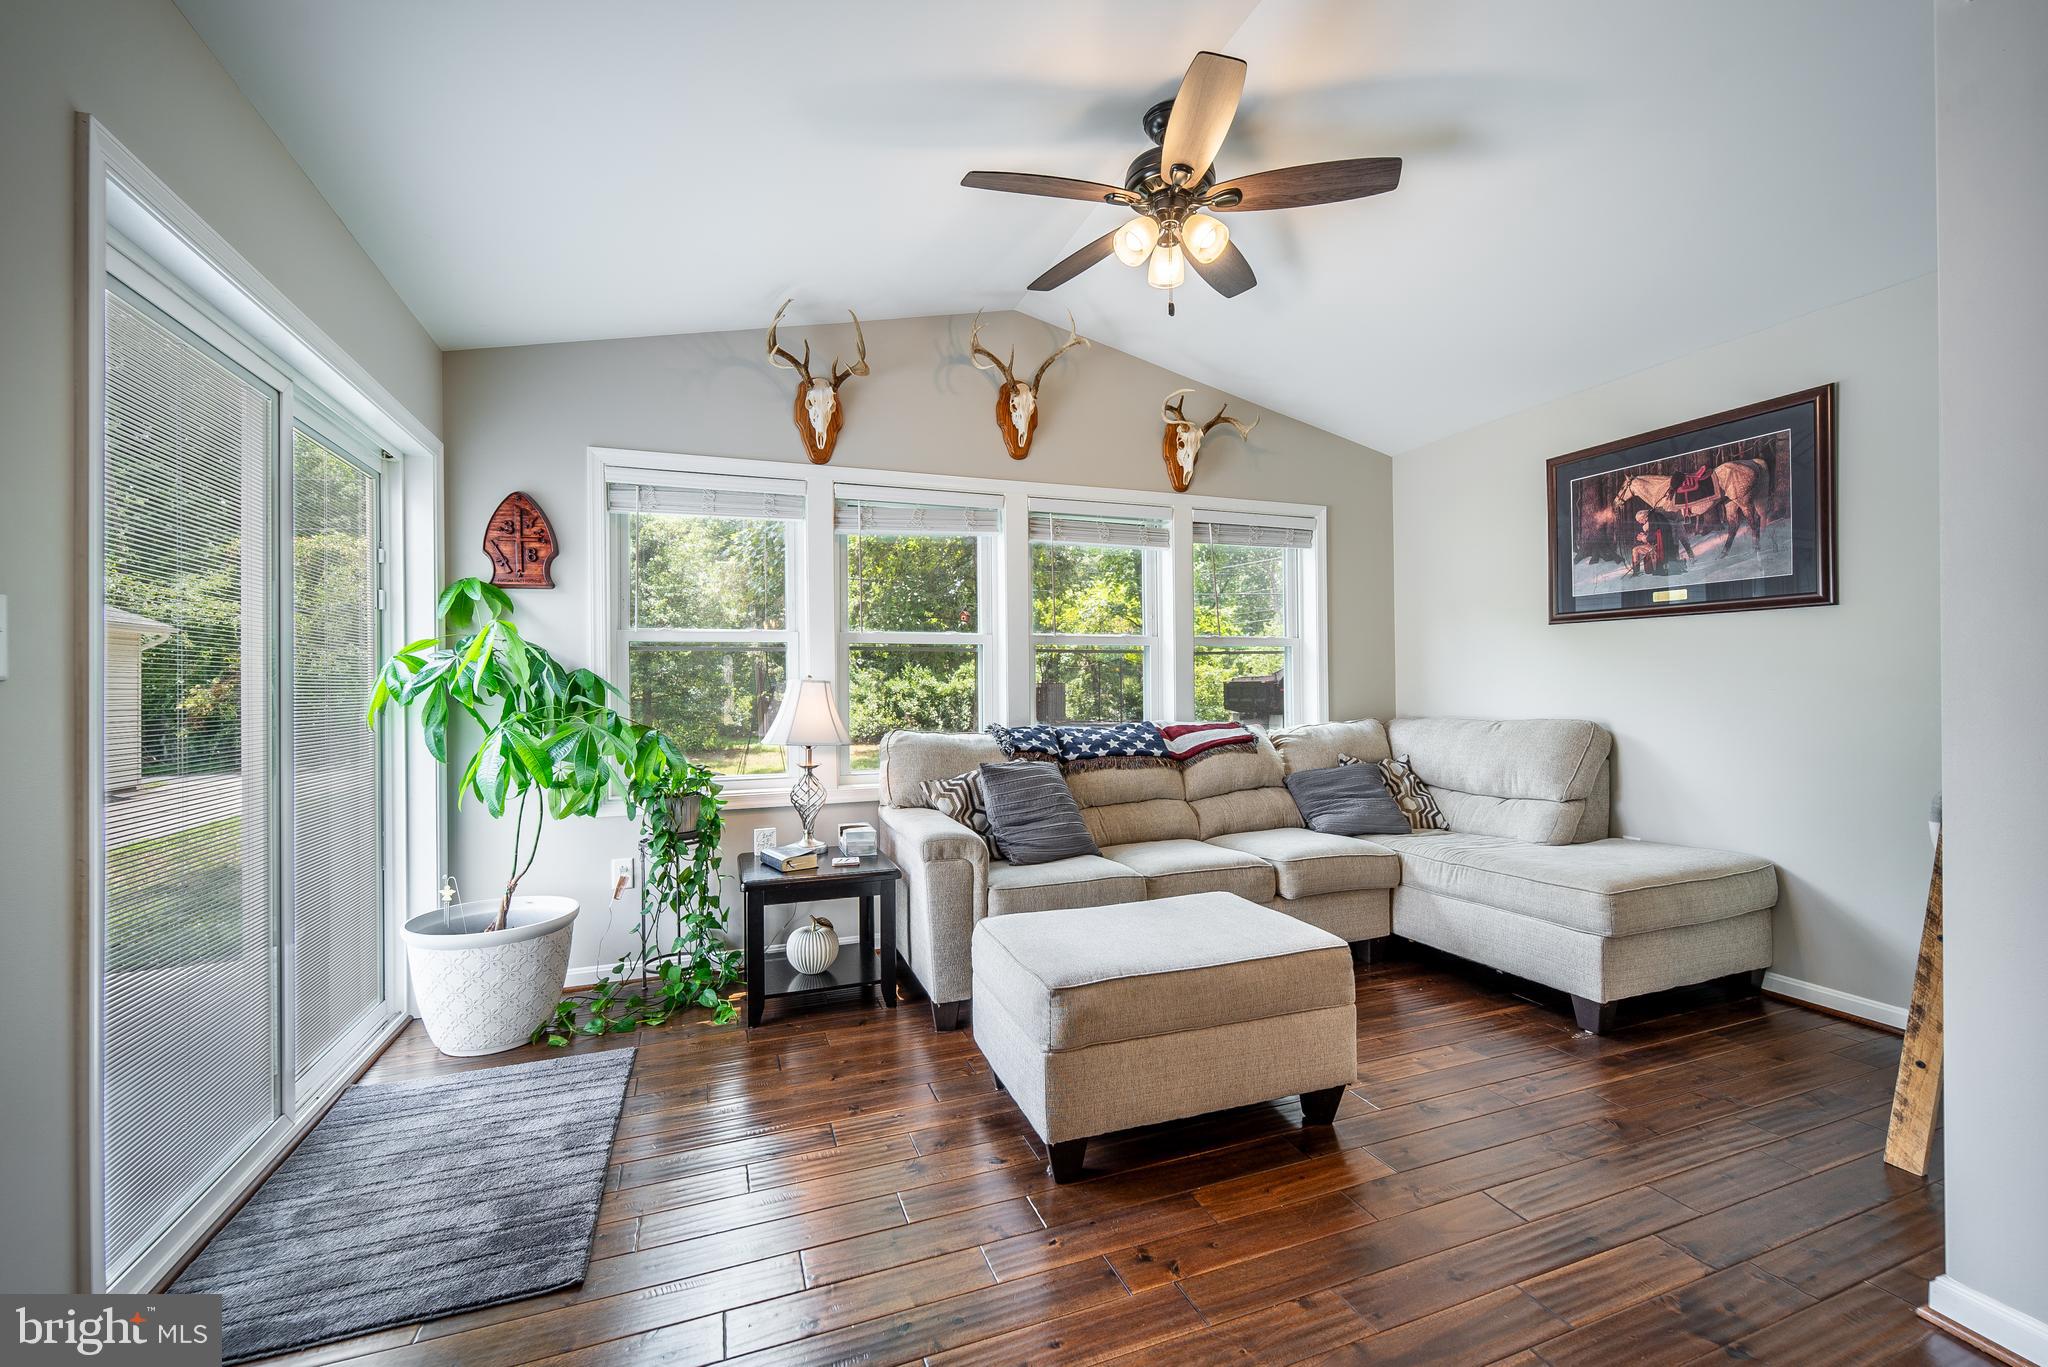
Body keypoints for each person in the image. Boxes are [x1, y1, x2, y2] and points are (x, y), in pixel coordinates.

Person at [1627, 507, 1693, 576]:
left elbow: (1653, 537)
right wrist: (1645, 535)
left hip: (1659, 547)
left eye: (1640, 521)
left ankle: (1636, 572)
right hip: (1665, 544)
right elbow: (1656, 532)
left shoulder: (1652, 519)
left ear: (1643, 517)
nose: (1641, 523)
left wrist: (1643, 538)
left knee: (1635, 550)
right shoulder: (1655, 516)